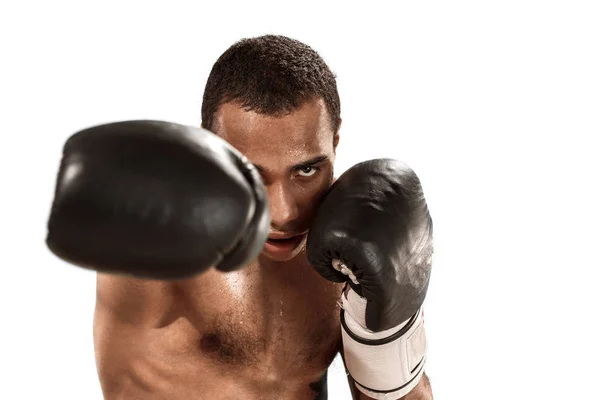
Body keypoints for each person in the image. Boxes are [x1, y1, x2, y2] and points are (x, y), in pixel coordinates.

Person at [46, 35, 434, 399]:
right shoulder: (163, 244)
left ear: (335, 142)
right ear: (207, 147)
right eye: (253, 173)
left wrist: (390, 337)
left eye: (305, 171)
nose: (283, 213)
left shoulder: (346, 247)